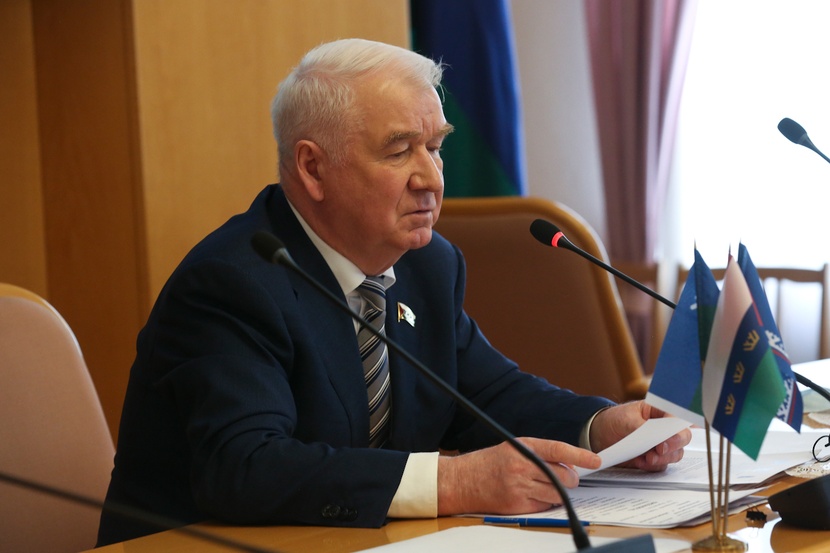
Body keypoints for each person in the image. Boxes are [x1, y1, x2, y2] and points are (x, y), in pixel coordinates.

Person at [96, 38, 690, 546]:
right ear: (312, 168)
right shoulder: (233, 282)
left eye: (436, 147)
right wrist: (456, 482)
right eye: (400, 150)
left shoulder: (428, 264)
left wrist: (599, 426)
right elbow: (246, 467)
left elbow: (487, 394)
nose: (431, 178)